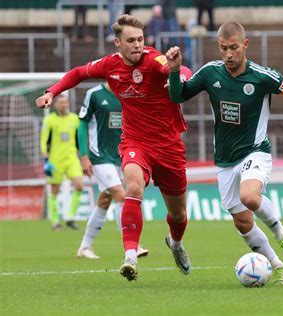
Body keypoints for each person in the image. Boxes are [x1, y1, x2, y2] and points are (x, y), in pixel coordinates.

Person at [166, 22, 283, 285]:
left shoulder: (262, 76)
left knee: (249, 196)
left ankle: (282, 234)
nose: (228, 54)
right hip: (225, 161)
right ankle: (277, 265)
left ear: (245, 45)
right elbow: (179, 97)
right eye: (223, 48)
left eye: (234, 48)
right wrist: (174, 70)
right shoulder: (210, 73)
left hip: (255, 152)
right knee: (242, 223)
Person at [36, 14, 193, 282]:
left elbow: (179, 70)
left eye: (141, 40)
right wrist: (53, 91)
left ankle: (176, 244)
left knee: (178, 214)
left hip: (168, 145)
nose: (137, 45)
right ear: (118, 43)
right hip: (135, 142)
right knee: (132, 186)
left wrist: (178, 72)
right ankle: (130, 255)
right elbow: (77, 73)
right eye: (131, 40)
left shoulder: (153, 59)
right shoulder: (110, 65)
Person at [76, 82, 149, 259]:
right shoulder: (94, 94)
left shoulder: (128, 93)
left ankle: (84, 247)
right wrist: (84, 156)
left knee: (104, 201)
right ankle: (132, 245)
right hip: (99, 156)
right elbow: (83, 124)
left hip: (121, 155)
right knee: (121, 195)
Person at [40, 95, 84, 231]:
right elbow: (43, 140)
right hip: (55, 160)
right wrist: (46, 160)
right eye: (61, 102)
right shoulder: (50, 120)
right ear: (55, 105)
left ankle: (70, 218)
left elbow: (80, 138)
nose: (64, 105)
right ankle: (55, 222)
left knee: (79, 185)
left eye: (65, 102)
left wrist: (83, 155)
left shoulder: (75, 119)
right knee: (54, 190)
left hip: (71, 158)